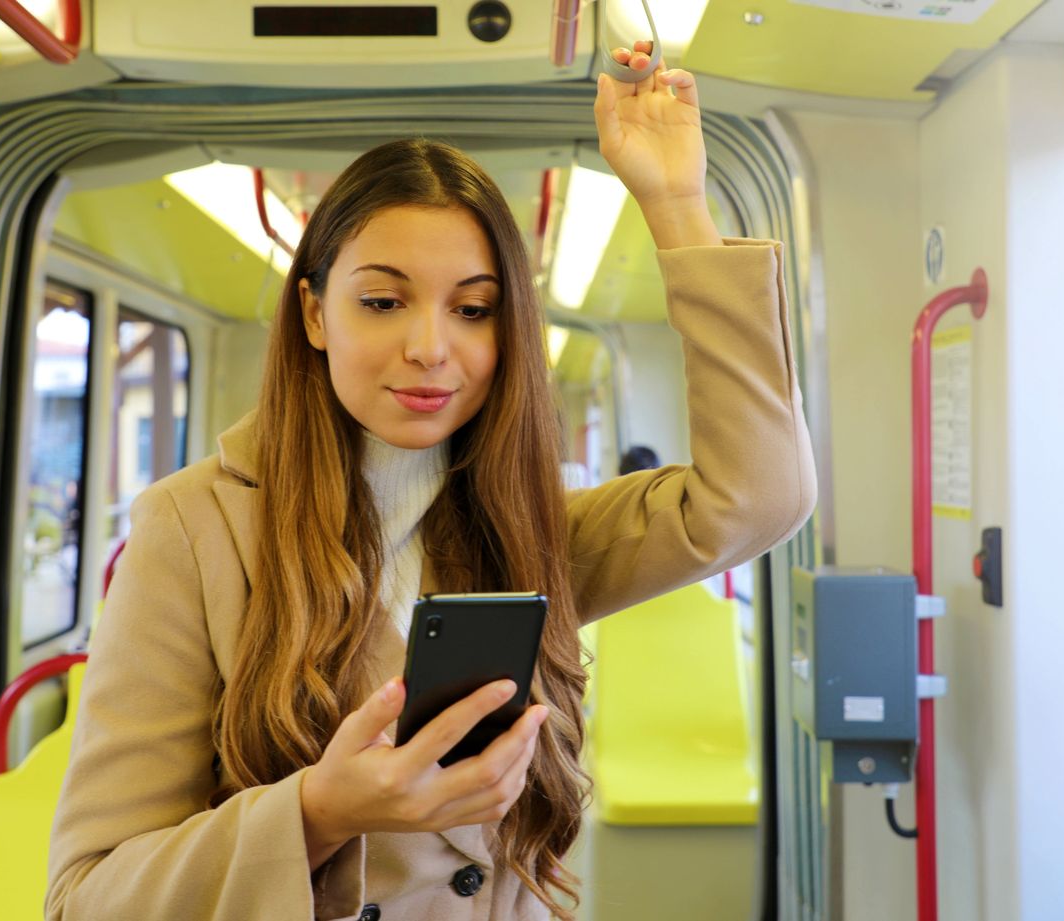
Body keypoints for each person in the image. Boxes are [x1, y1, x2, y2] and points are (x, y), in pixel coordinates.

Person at [46, 42, 817, 921]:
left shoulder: (531, 528)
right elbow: (86, 897)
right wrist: (317, 814)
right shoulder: (194, 529)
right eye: (383, 301)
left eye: (473, 308)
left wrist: (677, 202)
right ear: (314, 312)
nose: (429, 347)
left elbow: (760, 497)